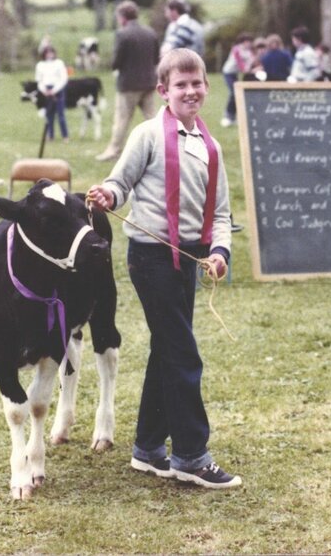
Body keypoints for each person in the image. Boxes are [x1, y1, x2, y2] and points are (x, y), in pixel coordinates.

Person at [87, 48, 240, 490]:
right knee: (183, 353)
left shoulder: (210, 146)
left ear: (207, 88)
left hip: (188, 261)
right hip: (151, 258)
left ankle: (149, 448)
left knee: (167, 350)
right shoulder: (147, 134)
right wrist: (109, 197)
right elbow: (120, 182)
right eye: (180, 85)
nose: (190, 91)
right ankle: (191, 455)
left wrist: (220, 253)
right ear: (163, 91)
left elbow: (223, 213)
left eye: (197, 84)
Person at [97, 0, 160, 161]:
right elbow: (156, 58)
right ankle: (163, 148)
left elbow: (117, 60)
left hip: (128, 85)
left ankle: (113, 151)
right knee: (153, 119)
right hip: (149, 83)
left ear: (123, 17)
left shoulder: (122, 34)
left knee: (122, 120)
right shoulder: (150, 32)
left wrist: (114, 67)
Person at [35, 45, 69, 143]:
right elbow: (39, 80)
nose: (49, 55)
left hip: (57, 90)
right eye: (47, 52)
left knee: (60, 114)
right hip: (46, 90)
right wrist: (44, 90)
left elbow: (63, 78)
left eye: (51, 52)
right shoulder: (40, 65)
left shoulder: (59, 63)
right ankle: (50, 135)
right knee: (49, 115)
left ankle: (65, 136)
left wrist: (54, 90)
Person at [220, 31, 255, 127]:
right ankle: (227, 116)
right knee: (233, 93)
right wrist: (250, 70)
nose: (250, 44)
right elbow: (242, 67)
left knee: (237, 94)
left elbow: (250, 64)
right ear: (243, 42)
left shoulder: (249, 52)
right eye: (248, 42)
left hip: (235, 74)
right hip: (228, 73)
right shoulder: (236, 49)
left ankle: (233, 117)